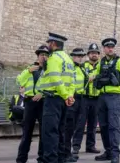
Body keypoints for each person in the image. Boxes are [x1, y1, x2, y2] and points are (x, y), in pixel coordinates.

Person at [36, 32, 75, 163]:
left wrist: (64, 95)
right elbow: (72, 81)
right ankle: (60, 159)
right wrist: (69, 96)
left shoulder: (53, 58)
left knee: (50, 133)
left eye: (49, 43)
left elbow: (55, 79)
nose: (48, 46)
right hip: (64, 101)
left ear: (53, 44)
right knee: (60, 131)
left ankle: (50, 160)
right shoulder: (68, 59)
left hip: (53, 99)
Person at [94, 38, 120, 163]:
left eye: (112, 47)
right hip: (102, 96)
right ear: (104, 49)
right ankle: (108, 152)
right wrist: (93, 76)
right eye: (108, 47)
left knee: (113, 126)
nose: (110, 49)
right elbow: (95, 74)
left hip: (114, 97)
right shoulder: (101, 63)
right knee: (103, 126)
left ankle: (115, 155)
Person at [15, 45, 49, 163]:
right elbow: (19, 81)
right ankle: (21, 159)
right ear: (37, 56)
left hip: (43, 102)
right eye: (41, 55)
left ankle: (42, 158)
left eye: (46, 55)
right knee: (26, 133)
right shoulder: (29, 69)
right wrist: (27, 71)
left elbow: (51, 85)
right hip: (29, 102)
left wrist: (42, 93)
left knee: (43, 133)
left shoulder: (49, 70)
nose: (43, 57)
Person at [72, 43, 101, 155]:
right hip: (84, 98)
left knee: (93, 124)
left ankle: (90, 146)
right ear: (88, 54)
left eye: (96, 53)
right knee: (80, 123)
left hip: (97, 99)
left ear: (98, 55)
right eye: (92, 53)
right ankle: (76, 146)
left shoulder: (101, 67)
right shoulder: (83, 66)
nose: (94, 55)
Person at [63, 47, 87, 161]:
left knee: (75, 126)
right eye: (78, 56)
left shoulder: (81, 69)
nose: (80, 58)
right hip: (71, 98)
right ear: (73, 56)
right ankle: (65, 153)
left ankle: (69, 152)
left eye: (82, 56)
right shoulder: (70, 67)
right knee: (68, 127)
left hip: (80, 99)